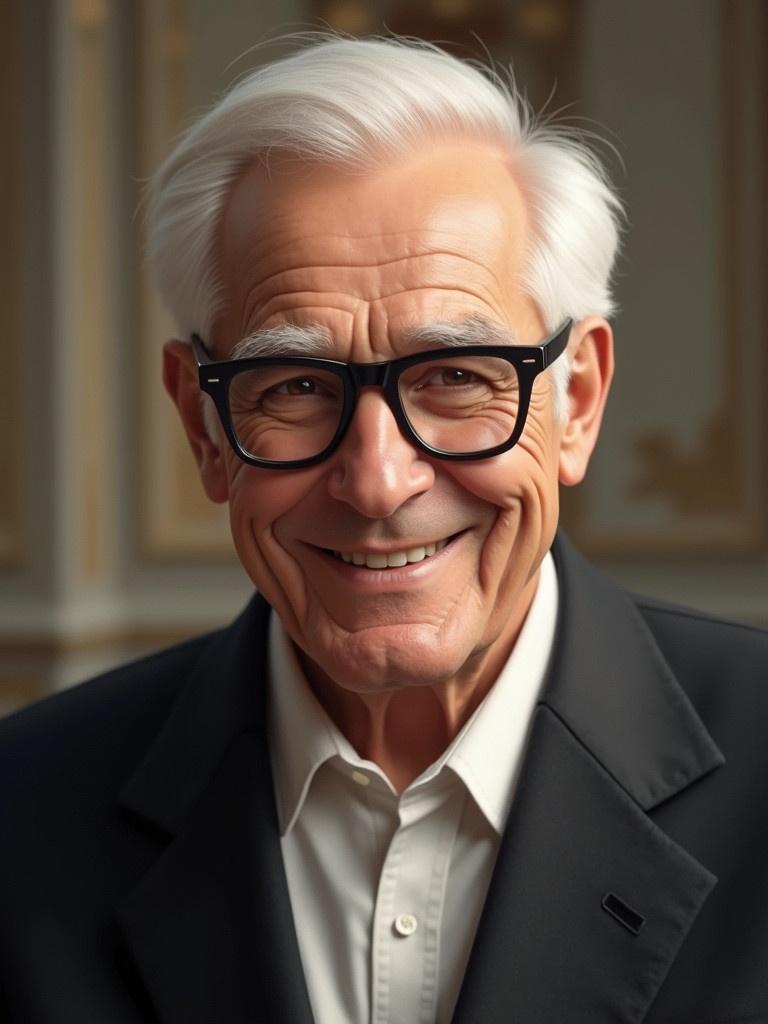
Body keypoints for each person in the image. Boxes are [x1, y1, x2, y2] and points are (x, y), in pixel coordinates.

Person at [1, 35, 767, 1024]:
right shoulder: (23, 822)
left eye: (455, 375)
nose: (376, 481)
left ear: (576, 400)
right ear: (202, 425)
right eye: (296, 386)